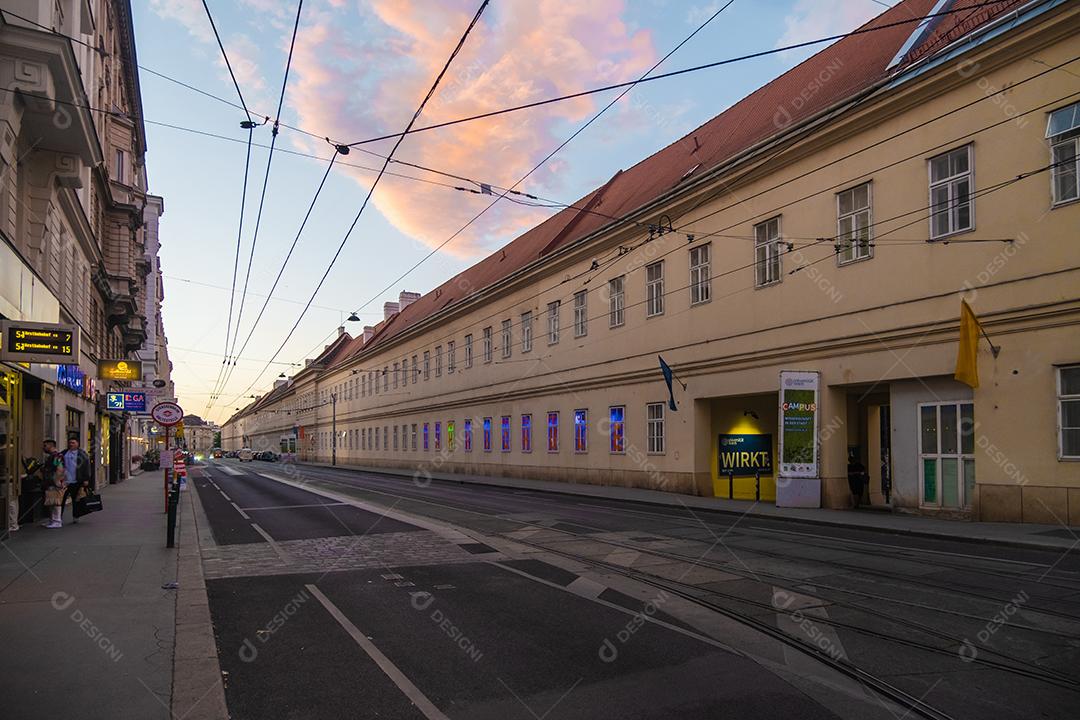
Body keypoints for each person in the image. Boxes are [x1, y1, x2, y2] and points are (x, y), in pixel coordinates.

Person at [60, 437, 94, 524]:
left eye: (73, 443)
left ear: (77, 444)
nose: (71, 444)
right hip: (65, 481)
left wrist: (86, 479)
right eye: (70, 443)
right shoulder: (64, 453)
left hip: (76, 481)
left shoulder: (82, 455)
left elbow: (87, 467)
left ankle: (76, 516)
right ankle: (58, 517)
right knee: (61, 500)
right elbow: (57, 463)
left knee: (76, 500)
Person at [43, 464, 66, 529]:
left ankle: (57, 521)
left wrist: (57, 481)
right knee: (52, 502)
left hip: (55, 483)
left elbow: (59, 471)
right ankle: (53, 520)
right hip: (53, 482)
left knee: (56, 502)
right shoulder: (55, 457)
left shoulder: (57, 458)